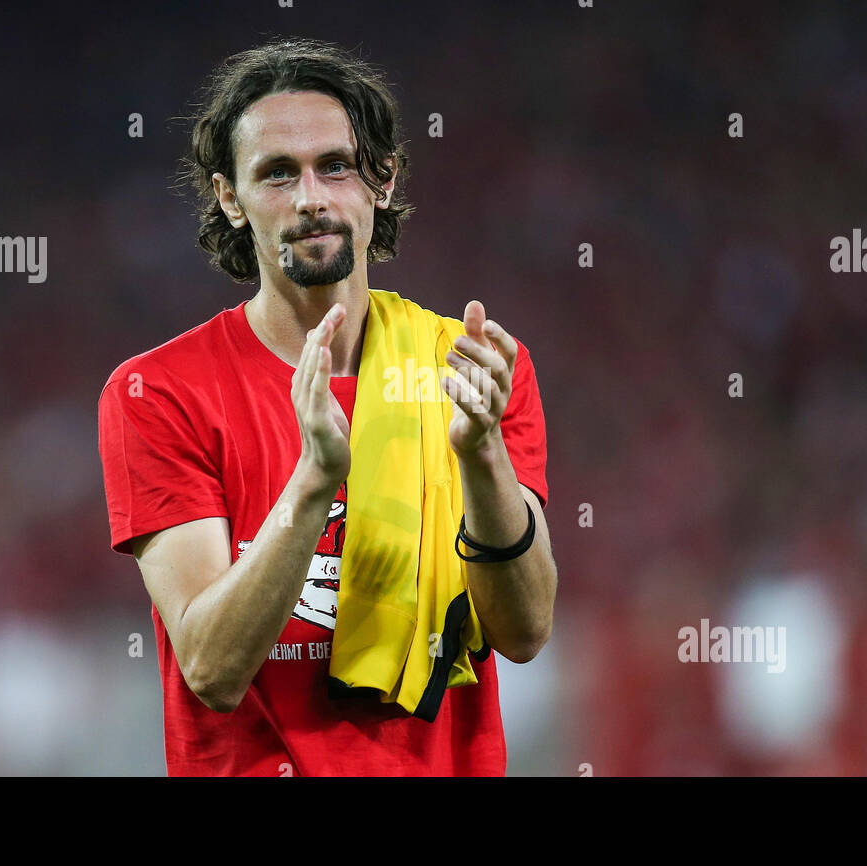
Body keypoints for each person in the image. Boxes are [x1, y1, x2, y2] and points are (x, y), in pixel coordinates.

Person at [97, 38, 556, 776]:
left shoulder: (467, 368)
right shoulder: (159, 393)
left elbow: (526, 630)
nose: (311, 197)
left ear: (381, 178)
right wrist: (315, 482)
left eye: (334, 166)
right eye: (277, 174)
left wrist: (481, 454)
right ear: (229, 198)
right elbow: (212, 670)